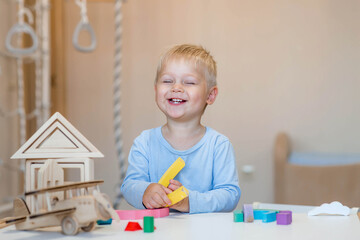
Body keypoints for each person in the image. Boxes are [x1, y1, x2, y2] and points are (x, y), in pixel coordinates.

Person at [121, 44, 241, 213]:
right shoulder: (145, 141)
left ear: (210, 95)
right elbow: (129, 185)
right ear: (156, 89)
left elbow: (230, 195)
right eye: (167, 81)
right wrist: (145, 192)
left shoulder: (218, 144)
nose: (176, 87)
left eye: (189, 82)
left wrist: (191, 201)